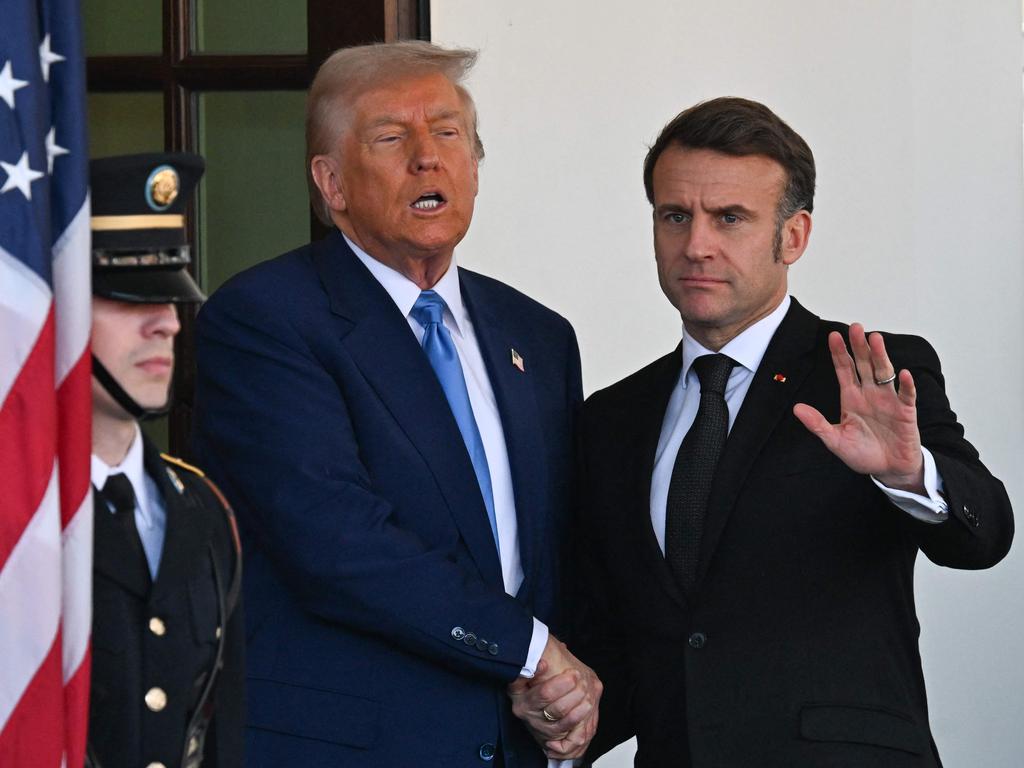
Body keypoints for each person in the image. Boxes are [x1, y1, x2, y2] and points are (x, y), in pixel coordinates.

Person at [190, 41, 600, 767]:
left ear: (475, 162)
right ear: (331, 184)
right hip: (349, 749)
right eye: (391, 138)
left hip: (509, 747)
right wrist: (532, 651)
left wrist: (569, 691)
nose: (427, 158)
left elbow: (555, 552)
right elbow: (338, 544)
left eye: (448, 133)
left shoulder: (538, 335)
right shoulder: (263, 319)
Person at [574, 97, 1014, 767]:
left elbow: (985, 535)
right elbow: (623, 636)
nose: (696, 244)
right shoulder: (612, 417)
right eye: (674, 216)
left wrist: (909, 473)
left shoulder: (868, 373)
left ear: (794, 236)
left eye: (730, 218)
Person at [87, 153, 244, 768]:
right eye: (128, 298)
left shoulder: (202, 507)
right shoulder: (16, 512)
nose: (166, 325)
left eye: (171, 295)